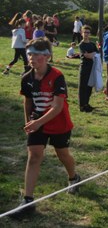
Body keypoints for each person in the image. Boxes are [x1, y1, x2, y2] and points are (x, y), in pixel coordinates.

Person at [9, 38, 80, 219]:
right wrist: (29, 122)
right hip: (37, 123)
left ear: (47, 57)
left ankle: (74, 178)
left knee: (63, 155)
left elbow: (57, 107)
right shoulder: (26, 78)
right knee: (34, 157)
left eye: (37, 54)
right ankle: (28, 201)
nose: (32, 58)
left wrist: (39, 122)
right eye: (30, 54)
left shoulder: (57, 76)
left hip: (58, 123)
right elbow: (28, 101)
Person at [78, 25, 99, 112]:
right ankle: (82, 106)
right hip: (84, 68)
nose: (86, 34)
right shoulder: (81, 44)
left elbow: (98, 54)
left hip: (92, 68)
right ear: (81, 33)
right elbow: (87, 56)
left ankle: (87, 104)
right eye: (84, 32)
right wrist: (93, 54)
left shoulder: (92, 44)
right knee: (83, 87)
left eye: (88, 32)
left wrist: (93, 54)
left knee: (89, 87)